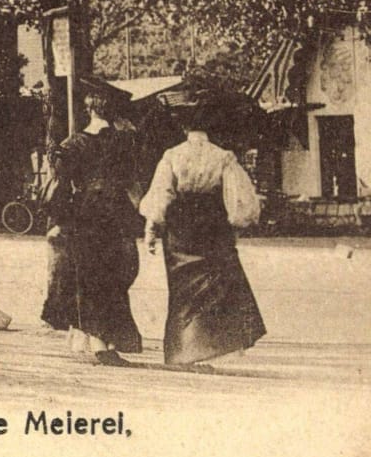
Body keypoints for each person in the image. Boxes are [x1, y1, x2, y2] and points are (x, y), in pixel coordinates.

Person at [139, 121, 267, 370]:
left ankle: (184, 350)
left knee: (182, 290)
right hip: (212, 226)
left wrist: (151, 229)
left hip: (180, 228)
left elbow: (161, 196)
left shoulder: (172, 155)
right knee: (215, 286)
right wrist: (236, 225)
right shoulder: (223, 157)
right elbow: (238, 198)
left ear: (185, 130)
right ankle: (214, 349)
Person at [41, 116, 145, 366]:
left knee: (91, 276)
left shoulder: (73, 144)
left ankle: (100, 342)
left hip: (86, 215)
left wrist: (58, 221)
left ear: (89, 110)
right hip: (117, 216)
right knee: (116, 276)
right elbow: (133, 186)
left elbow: (60, 187)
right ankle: (105, 342)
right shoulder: (122, 143)